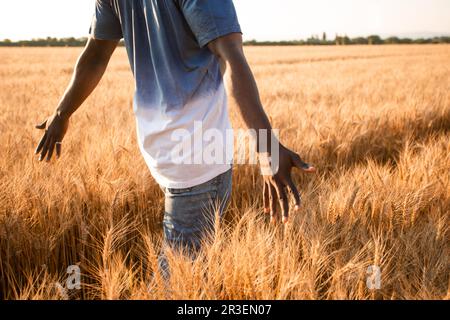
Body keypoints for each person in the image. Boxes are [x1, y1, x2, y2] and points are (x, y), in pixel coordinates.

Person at [34, 0, 316, 257]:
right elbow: (96, 51)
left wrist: (266, 146)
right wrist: (61, 113)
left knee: (177, 282)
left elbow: (231, 56)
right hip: (166, 155)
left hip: (197, 157)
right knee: (191, 278)